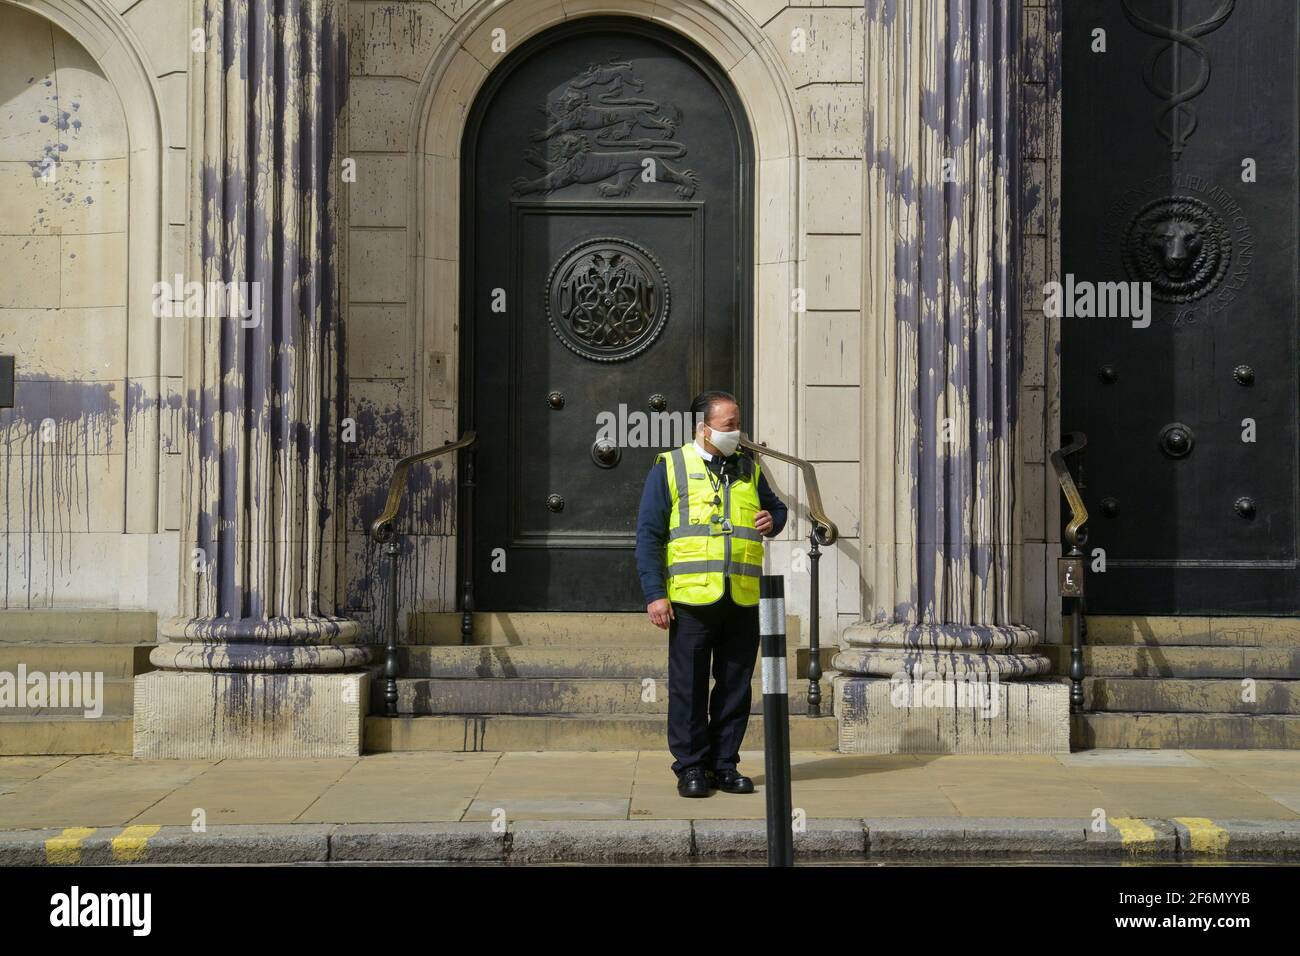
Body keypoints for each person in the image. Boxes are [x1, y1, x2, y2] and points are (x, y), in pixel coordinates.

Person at [634, 390, 788, 797]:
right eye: (729, 425)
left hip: (741, 596)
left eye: (738, 423)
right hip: (691, 600)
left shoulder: (748, 469)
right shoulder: (670, 467)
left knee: (735, 686)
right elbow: (649, 535)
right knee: (689, 688)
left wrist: (773, 519)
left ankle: (724, 764)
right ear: (703, 430)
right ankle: (691, 768)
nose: (737, 432)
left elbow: (778, 511)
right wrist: (655, 593)